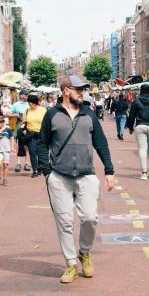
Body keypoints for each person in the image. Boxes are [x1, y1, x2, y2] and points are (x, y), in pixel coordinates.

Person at [36, 75, 116, 284]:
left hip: (86, 174)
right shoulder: (51, 114)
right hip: (59, 176)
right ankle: (71, 263)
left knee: (90, 218)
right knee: (64, 222)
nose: (82, 92)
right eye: (78, 89)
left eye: (83, 89)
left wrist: (109, 170)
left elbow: (101, 143)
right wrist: (47, 172)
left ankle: (84, 253)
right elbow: (42, 143)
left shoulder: (89, 114)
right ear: (65, 90)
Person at [126, 84, 149, 180]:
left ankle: (144, 173)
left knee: (142, 149)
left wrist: (130, 127)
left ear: (140, 90)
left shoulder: (136, 101)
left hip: (140, 126)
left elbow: (131, 116)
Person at [23, 93, 47, 178]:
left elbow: (47, 122)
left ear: (36, 102)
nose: (30, 104)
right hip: (31, 134)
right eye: (29, 102)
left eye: (32, 102)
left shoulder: (43, 110)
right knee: (32, 152)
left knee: (40, 152)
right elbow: (24, 122)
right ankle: (35, 170)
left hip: (41, 134)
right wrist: (23, 128)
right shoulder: (27, 110)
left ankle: (40, 167)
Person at [9, 89, 31, 172]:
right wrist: (17, 115)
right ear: (21, 95)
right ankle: (18, 163)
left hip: (28, 126)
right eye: (25, 94)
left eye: (27, 95)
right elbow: (8, 114)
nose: (27, 96)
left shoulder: (29, 104)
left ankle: (27, 163)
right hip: (18, 127)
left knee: (27, 145)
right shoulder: (16, 104)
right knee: (19, 145)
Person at [0, 118, 12, 187]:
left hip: (6, 149)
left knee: (5, 165)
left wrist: (12, 147)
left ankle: (5, 179)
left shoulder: (7, 130)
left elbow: (12, 138)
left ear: (2, 123)